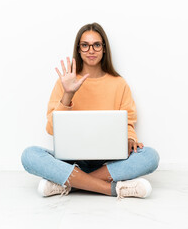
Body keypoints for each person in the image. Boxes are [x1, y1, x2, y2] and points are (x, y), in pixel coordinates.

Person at [21, 22, 159, 199]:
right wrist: (68, 94)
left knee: (150, 156)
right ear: (78, 49)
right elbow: (51, 129)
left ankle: (69, 184)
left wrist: (131, 138)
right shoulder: (64, 83)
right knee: (29, 155)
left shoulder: (119, 83)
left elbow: (127, 121)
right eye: (85, 45)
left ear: (104, 49)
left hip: (108, 162)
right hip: (70, 161)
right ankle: (112, 189)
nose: (91, 50)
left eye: (96, 45)